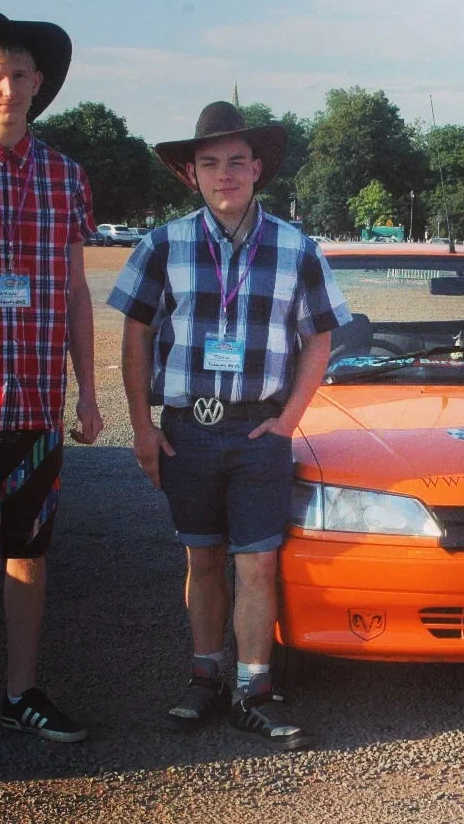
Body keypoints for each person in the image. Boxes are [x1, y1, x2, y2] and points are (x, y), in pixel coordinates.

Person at [109, 102, 349, 748]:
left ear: (257, 168)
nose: (224, 175)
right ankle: (203, 674)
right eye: (209, 163)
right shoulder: (161, 245)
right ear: (191, 174)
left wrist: (289, 420)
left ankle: (255, 687)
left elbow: (320, 338)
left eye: (236, 161)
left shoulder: (298, 248)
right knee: (202, 557)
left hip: (255, 433)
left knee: (258, 565)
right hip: (189, 429)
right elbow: (135, 336)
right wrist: (140, 425)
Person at [0, 12, 104, 741]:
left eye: (20, 75)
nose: (8, 87)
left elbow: (75, 292)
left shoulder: (67, 177)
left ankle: (21, 693)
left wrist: (91, 395)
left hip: (35, 403)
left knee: (28, 555)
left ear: (39, 84)